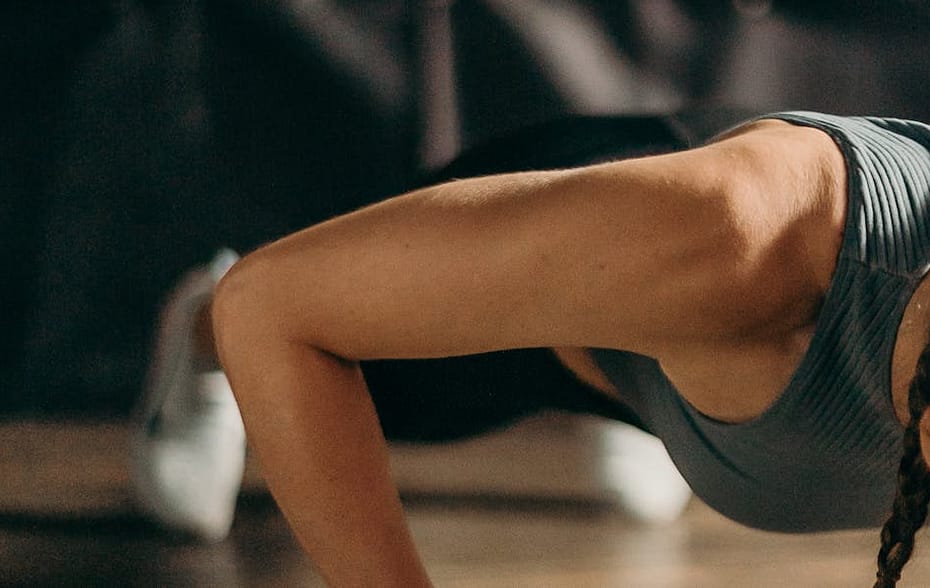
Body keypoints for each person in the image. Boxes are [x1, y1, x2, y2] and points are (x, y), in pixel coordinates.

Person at [223, 111, 930, 586]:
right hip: (621, 250)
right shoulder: (746, 240)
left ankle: (661, 398)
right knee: (310, 355)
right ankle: (192, 324)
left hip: (699, 348)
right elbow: (268, 306)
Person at [129, 115, 698, 542]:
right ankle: (210, 324)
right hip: (602, 203)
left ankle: (633, 362)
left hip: (689, 284)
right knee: (356, 378)